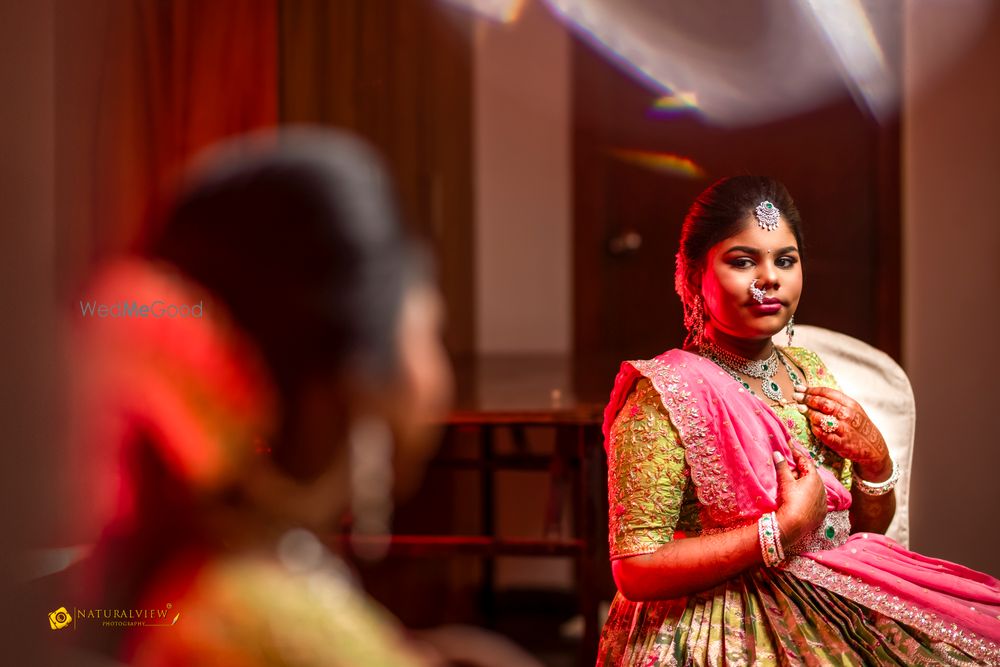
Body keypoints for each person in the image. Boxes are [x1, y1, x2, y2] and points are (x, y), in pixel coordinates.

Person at [68, 130, 455, 665]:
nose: (436, 370)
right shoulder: (272, 630)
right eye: (431, 327)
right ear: (354, 371)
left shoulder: (203, 586)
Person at [596, 176, 1000, 665]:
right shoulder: (665, 393)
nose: (769, 278)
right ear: (693, 274)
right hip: (716, 621)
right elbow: (636, 569)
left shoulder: (809, 371)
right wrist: (780, 530)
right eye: (743, 261)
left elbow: (855, 529)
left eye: (785, 260)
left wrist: (876, 463)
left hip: (832, 592)